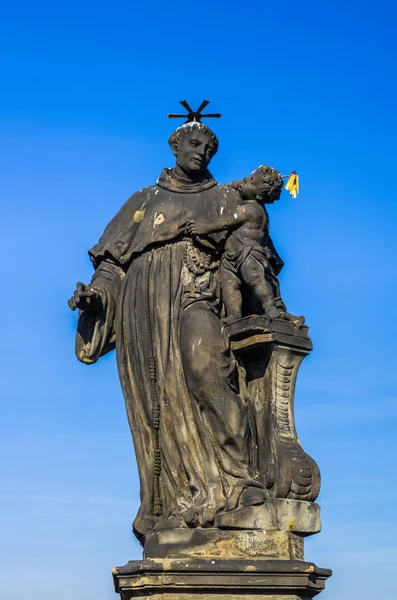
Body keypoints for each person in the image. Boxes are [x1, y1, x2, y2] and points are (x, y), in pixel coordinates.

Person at [68, 121, 264, 543]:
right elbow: (111, 267)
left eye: (208, 149)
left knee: (208, 370)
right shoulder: (143, 202)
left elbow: (251, 250)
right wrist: (95, 298)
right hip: (144, 313)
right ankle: (177, 504)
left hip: (197, 295)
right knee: (158, 407)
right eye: (193, 144)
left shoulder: (224, 198)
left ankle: (240, 480)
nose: (201, 153)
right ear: (176, 144)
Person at [186, 165, 291, 324]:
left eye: (249, 181)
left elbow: (224, 222)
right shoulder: (251, 205)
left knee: (255, 280)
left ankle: (270, 307)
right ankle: (234, 314)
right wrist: (235, 185)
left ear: (259, 192)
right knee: (229, 285)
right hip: (231, 257)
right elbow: (225, 189)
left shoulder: (250, 209)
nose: (244, 181)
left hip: (248, 253)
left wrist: (203, 227)